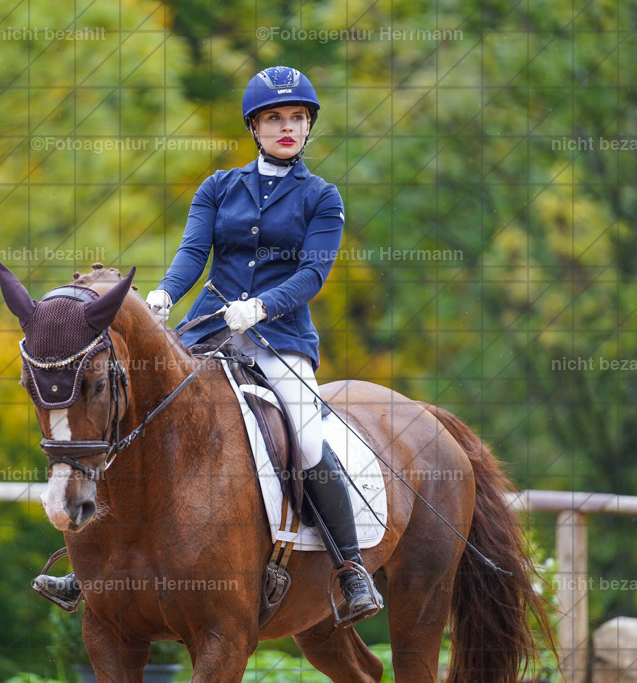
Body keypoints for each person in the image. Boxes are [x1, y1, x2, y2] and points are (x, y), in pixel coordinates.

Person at [34, 66, 383, 623]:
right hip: (208, 332)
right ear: (255, 126)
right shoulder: (219, 187)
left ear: (309, 125)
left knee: (308, 436)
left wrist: (263, 306)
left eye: (297, 117)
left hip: (281, 338)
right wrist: (165, 295)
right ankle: (94, 565)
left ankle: (351, 567)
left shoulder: (323, 197)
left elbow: (314, 274)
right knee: (131, 417)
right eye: (275, 118)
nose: (287, 127)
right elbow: (193, 253)